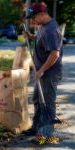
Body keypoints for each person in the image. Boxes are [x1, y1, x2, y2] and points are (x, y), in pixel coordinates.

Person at [22, 2, 63, 137]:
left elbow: (54, 54)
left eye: (34, 17)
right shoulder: (43, 27)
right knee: (37, 100)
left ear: (42, 14)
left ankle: (45, 135)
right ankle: (36, 128)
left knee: (47, 104)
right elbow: (42, 41)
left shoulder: (51, 29)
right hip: (42, 73)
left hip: (49, 73)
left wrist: (41, 70)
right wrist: (31, 37)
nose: (33, 21)